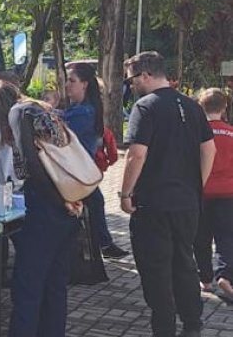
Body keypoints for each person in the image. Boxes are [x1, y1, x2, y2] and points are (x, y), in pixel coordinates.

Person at [120, 51, 216, 337]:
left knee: (156, 268)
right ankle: (192, 324)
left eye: (131, 79)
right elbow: (209, 149)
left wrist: (125, 193)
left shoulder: (145, 107)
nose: (131, 86)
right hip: (187, 202)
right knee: (185, 263)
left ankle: (164, 327)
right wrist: (196, 184)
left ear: (146, 75)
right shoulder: (192, 105)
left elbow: (136, 154)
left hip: (153, 203)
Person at [0, 81, 81, 337]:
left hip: (46, 207)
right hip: (68, 205)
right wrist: (68, 196)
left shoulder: (18, 114)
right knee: (55, 286)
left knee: (28, 287)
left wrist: (57, 197)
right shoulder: (42, 111)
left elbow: (31, 165)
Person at [64, 63, 129, 260]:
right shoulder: (82, 109)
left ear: (84, 84)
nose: (67, 85)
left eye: (71, 81)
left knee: (91, 204)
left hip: (76, 173)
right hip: (82, 172)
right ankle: (104, 243)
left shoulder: (83, 113)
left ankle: (98, 245)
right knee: (95, 203)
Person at [195, 88, 233, 301]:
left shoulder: (197, 134)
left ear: (201, 107)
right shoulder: (231, 133)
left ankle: (206, 279)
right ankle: (225, 275)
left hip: (202, 193)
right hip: (229, 193)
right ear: (224, 107)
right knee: (226, 237)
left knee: (201, 237)